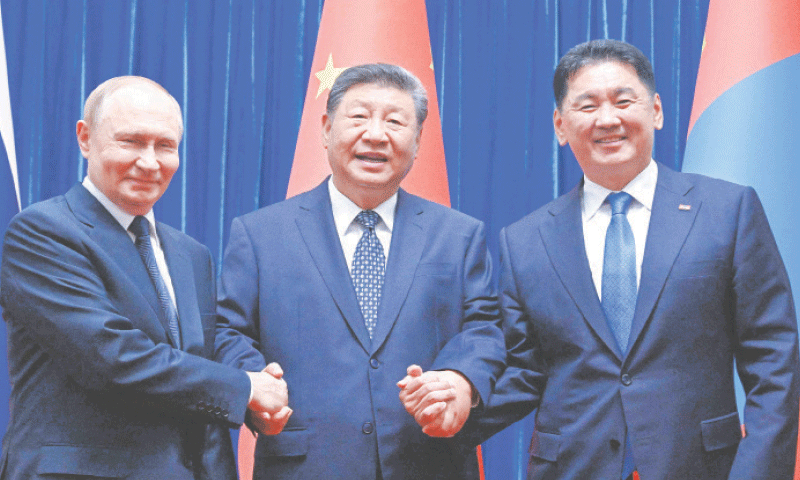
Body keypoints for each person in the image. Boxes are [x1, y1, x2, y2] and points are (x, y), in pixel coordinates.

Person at [407, 39, 800, 479]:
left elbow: (774, 361)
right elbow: (524, 370)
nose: (607, 119)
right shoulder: (526, 241)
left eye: (623, 100)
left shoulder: (728, 211)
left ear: (655, 110)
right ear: (560, 125)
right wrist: (460, 401)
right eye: (587, 105)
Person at [214, 63, 506, 479]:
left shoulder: (458, 236)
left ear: (419, 140)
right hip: (305, 465)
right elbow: (228, 330)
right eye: (359, 117)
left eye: (395, 121)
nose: (375, 134)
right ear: (326, 128)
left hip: (428, 463)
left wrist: (461, 381)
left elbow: (483, 328)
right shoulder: (261, 234)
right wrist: (256, 384)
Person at [0, 76, 289, 479]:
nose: (150, 162)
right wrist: (244, 388)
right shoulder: (43, 233)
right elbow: (111, 357)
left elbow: (208, 342)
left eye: (166, 146)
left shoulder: (190, 254)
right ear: (85, 138)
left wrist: (261, 390)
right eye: (131, 141)